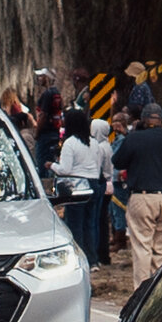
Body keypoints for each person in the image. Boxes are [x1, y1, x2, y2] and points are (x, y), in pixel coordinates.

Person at [111, 104, 162, 287]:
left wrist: (133, 134)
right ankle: (160, 290)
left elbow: (117, 161)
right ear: (161, 120)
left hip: (143, 195)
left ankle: (141, 294)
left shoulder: (135, 139)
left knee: (142, 246)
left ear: (142, 119)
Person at [52, 109, 100, 260]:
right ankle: (93, 259)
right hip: (93, 184)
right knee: (90, 224)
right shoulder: (94, 142)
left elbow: (64, 169)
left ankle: (79, 257)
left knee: (75, 224)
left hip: (77, 185)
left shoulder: (70, 143)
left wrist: (51, 165)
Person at [88, 117, 115, 265]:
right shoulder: (107, 145)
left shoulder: (100, 148)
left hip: (102, 184)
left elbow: (97, 168)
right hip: (109, 184)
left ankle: (98, 252)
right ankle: (103, 253)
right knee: (103, 221)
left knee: (98, 220)